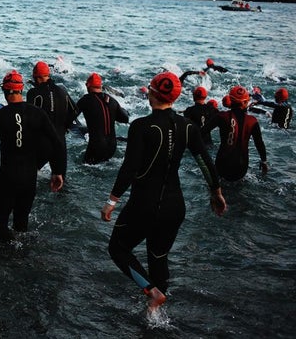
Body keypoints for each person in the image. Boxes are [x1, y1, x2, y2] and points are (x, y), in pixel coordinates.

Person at [101, 71, 227, 313]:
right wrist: (216, 191)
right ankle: (155, 315)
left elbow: (130, 168)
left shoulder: (141, 126)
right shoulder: (188, 126)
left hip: (143, 204)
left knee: (117, 248)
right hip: (174, 206)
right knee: (158, 256)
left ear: (152, 93)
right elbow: (204, 161)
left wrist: (112, 201)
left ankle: (152, 292)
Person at [0, 70, 66, 241]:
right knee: (21, 226)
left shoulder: (0, 115)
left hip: (7, 177)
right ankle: (21, 255)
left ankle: (1, 254)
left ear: (5, 91)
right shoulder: (38, 113)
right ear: (21, 90)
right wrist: (58, 171)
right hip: (29, 178)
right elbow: (57, 143)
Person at [201, 86, 268, 181]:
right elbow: (259, 143)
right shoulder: (252, 121)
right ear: (244, 102)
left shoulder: (221, 116)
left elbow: (202, 132)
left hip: (222, 164)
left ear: (231, 100)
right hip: (241, 167)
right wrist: (264, 161)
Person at [27, 61, 79, 176]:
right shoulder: (62, 91)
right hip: (60, 143)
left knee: (27, 177)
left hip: (43, 143)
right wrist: (65, 126)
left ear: (36, 77)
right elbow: (75, 110)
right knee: (60, 181)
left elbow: (29, 119)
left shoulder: (33, 93)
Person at [75, 72, 129, 164]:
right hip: (112, 146)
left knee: (85, 168)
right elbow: (125, 119)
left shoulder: (85, 100)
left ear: (88, 85)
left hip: (96, 146)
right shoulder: (112, 100)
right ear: (100, 86)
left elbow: (70, 116)